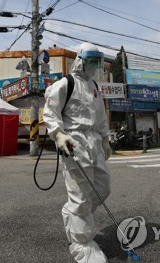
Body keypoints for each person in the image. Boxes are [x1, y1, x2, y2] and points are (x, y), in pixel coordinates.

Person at [43, 42, 112, 263]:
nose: (93, 65)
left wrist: (105, 139)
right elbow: (51, 111)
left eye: (96, 61)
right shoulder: (66, 83)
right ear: (81, 60)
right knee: (81, 194)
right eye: (90, 60)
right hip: (74, 141)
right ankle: (82, 244)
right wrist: (58, 134)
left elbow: (100, 117)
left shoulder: (94, 87)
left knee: (102, 187)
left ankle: (73, 213)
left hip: (93, 140)